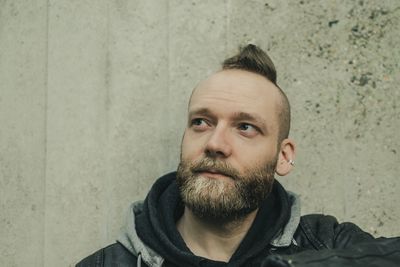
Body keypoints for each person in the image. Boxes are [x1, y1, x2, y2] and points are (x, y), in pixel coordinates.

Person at [76, 45, 399, 267]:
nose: (215, 143)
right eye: (201, 122)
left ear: (283, 157)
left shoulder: (329, 244)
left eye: (245, 127)